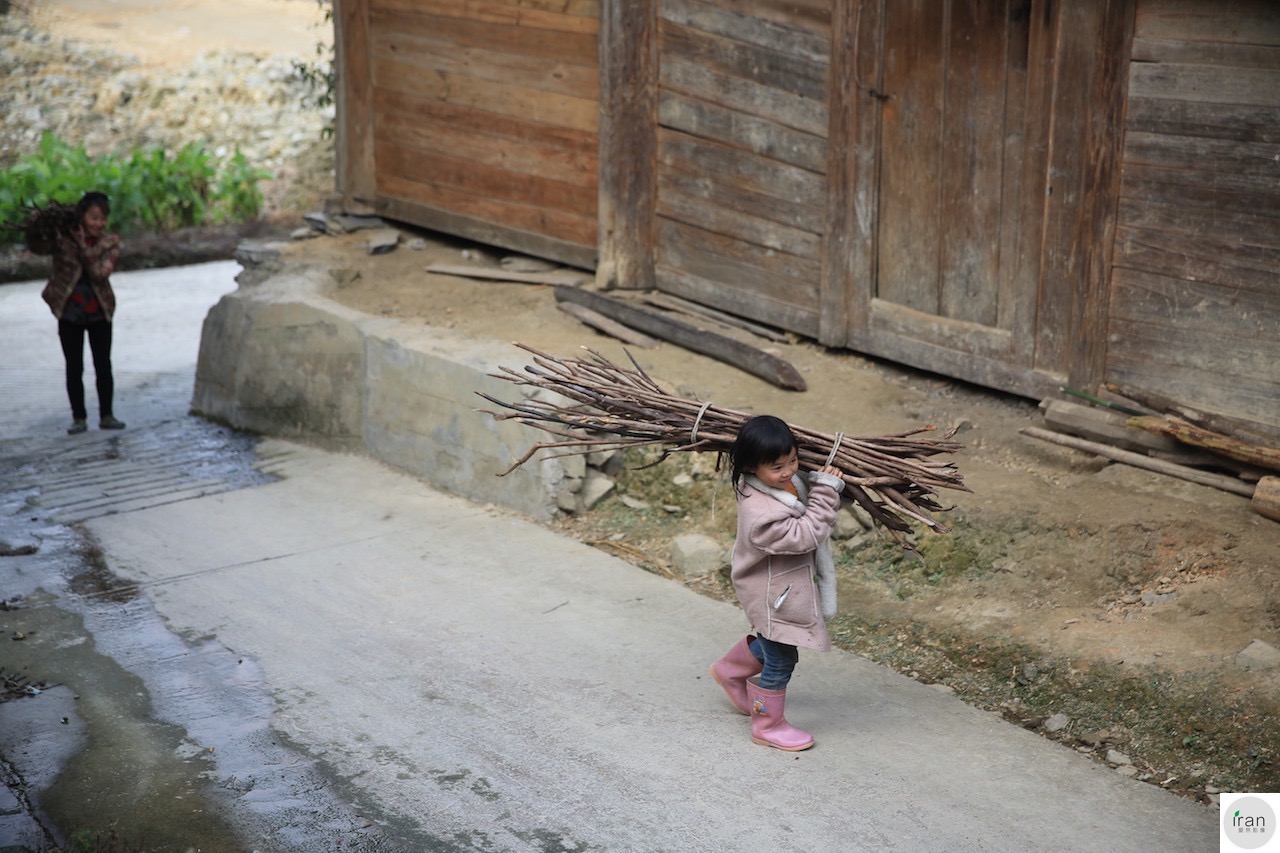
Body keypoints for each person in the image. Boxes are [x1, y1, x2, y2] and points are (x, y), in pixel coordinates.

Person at [709, 415, 845, 751]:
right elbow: (806, 534)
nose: (788, 471)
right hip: (772, 594)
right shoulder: (760, 515)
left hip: (781, 587)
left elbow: (805, 500)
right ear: (753, 467)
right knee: (782, 658)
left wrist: (823, 483)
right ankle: (767, 724)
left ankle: (729, 670)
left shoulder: (781, 483)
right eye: (777, 466)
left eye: (793, 461)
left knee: (772, 643)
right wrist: (826, 490)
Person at [40, 191, 126, 435]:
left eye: (103, 218)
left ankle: (107, 416)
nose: (99, 223)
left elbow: (100, 273)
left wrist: (82, 246)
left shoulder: (109, 243)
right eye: (94, 218)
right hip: (69, 313)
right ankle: (79, 418)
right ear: (82, 217)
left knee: (103, 365)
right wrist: (41, 222)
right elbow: (38, 245)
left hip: (100, 311)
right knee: (74, 367)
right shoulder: (63, 240)